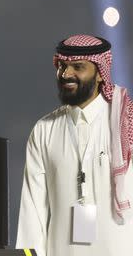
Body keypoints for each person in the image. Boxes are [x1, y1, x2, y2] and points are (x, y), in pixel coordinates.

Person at [16, 34, 133, 255]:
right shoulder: (44, 130)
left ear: (100, 73)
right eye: (62, 66)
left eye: (78, 67)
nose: (66, 74)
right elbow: (32, 213)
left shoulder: (127, 122)